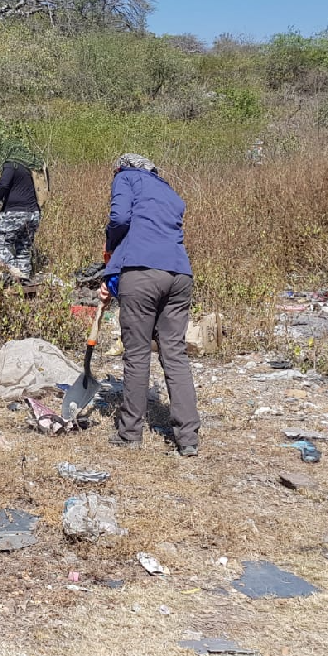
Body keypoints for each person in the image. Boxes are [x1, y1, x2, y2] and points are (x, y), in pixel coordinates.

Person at [100, 153, 201, 457]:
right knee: (175, 354)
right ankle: (188, 439)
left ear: (123, 166)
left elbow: (119, 219)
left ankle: (130, 433)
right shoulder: (169, 191)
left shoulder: (125, 177)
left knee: (137, 354)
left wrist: (110, 251)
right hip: (180, 274)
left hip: (142, 273)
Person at [0, 140, 43, 283]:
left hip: (16, 213)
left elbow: (3, 185)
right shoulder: (28, 167)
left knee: (0, 244)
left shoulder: (11, 165)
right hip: (34, 213)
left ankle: (16, 272)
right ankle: (25, 283)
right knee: (23, 248)